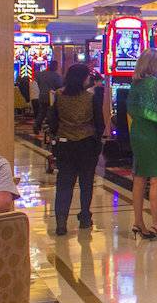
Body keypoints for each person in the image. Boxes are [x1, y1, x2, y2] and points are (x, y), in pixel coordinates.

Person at [46, 62, 109, 235]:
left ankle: (61, 221)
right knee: (86, 183)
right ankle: (85, 217)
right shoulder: (91, 97)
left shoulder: (59, 95)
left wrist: (58, 134)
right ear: (82, 78)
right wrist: (96, 140)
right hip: (86, 144)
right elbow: (99, 123)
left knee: (64, 184)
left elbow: (52, 121)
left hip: (65, 145)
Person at [126, 49, 157, 241]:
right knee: (155, 180)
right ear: (153, 64)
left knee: (139, 178)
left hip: (137, 131)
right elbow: (155, 112)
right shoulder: (152, 83)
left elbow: (131, 110)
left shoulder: (135, 83)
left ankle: (138, 222)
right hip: (151, 134)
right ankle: (156, 225)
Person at [33, 61, 62, 135]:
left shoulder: (41, 74)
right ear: (55, 66)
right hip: (51, 96)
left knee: (42, 112)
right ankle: (50, 128)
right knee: (50, 113)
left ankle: (36, 125)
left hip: (42, 95)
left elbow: (37, 82)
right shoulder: (56, 76)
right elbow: (59, 85)